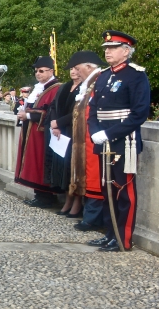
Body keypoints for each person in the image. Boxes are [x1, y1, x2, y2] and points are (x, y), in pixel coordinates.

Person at [86, 31, 151, 252]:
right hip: (102, 139)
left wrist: (109, 134)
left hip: (124, 141)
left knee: (124, 191)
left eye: (112, 48)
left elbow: (139, 113)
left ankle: (123, 238)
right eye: (106, 48)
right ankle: (109, 233)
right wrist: (94, 131)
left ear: (126, 51)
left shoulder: (136, 75)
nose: (107, 51)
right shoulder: (103, 75)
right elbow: (93, 108)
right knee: (107, 191)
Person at [14, 56, 61, 207]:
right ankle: (39, 195)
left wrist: (27, 115)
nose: (38, 74)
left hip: (43, 133)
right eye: (36, 71)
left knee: (40, 162)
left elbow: (50, 111)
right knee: (34, 162)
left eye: (41, 71)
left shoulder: (55, 87)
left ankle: (46, 197)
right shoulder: (39, 87)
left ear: (51, 71)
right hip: (32, 130)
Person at [69, 51, 106, 232]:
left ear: (89, 66)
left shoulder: (99, 81)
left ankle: (93, 218)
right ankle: (89, 215)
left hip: (94, 138)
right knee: (89, 176)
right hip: (85, 139)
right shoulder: (89, 83)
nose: (76, 72)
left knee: (95, 178)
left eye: (78, 68)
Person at [49, 62, 82, 216]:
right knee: (63, 168)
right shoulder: (64, 87)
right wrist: (55, 125)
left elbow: (77, 112)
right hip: (60, 132)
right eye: (71, 69)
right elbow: (54, 106)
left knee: (72, 168)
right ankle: (67, 200)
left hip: (74, 131)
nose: (73, 72)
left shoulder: (84, 88)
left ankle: (76, 202)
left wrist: (59, 122)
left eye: (76, 68)